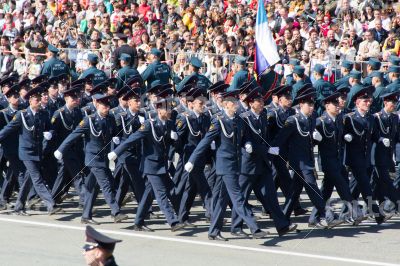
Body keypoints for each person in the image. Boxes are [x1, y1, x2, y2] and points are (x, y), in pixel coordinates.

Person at [185, 90, 268, 241]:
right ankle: (254, 228)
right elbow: (204, 142)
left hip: (235, 164)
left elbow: (243, 138)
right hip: (225, 165)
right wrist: (192, 160)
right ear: (226, 105)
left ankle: (213, 232)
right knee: (238, 198)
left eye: (236, 103)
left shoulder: (238, 120)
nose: (237, 106)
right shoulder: (219, 121)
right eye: (234, 103)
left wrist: (247, 143)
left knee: (222, 200)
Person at [108, 90, 186, 232]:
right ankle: (173, 222)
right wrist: (116, 152)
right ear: (158, 109)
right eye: (166, 108)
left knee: (151, 194)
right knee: (162, 194)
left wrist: (175, 139)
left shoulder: (168, 124)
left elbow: (170, 144)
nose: (169, 111)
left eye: (170, 108)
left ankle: (138, 222)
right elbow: (132, 139)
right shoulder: (150, 125)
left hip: (162, 165)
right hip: (151, 166)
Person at [232, 88, 298, 237]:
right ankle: (236, 227)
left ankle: (282, 225)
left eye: (262, 101)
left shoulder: (262, 116)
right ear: (250, 103)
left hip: (262, 163)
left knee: (271, 196)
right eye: (258, 101)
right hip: (248, 165)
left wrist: (269, 148)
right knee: (242, 197)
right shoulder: (243, 118)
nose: (262, 103)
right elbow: (244, 142)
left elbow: (265, 138)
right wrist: (264, 149)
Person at [271, 88, 341, 228]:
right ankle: (327, 215)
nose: (311, 107)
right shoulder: (293, 120)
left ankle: (282, 223)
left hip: (307, 161)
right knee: (313, 189)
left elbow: (308, 141)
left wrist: (315, 139)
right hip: (299, 163)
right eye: (308, 104)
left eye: (312, 104)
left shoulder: (310, 119)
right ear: (301, 104)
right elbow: (280, 139)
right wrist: (273, 151)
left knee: (293, 194)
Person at [54, 94, 128, 225]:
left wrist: (116, 138)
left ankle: (86, 215)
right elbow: (74, 135)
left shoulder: (110, 118)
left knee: (92, 188)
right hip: (93, 158)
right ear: (97, 105)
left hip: (103, 158)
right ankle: (116, 212)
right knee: (106, 184)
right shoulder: (89, 120)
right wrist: (61, 149)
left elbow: (115, 131)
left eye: (108, 106)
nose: (107, 108)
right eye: (104, 106)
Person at [0, 85, 62, 215]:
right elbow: (8, 129)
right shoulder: (22, 115)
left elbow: (51, 127)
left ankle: (19, 206)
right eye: (36, 99)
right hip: (25, 152)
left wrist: (50, 133)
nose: (39, 101)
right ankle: (51, 203)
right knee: (37, 178)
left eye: (40, 99)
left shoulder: (43, 114)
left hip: (38, 151)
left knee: (28, 180)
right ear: (30, 101)